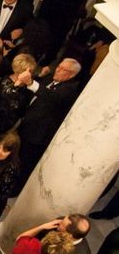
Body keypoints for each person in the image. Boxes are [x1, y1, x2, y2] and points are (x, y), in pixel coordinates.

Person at [16, 58, 82, 186]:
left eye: (64, 70)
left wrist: (30, 82)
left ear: (72, 75)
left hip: (38, 134)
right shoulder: (53, 77)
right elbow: (39, 88)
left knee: (25, 162)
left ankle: (16, 188)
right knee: (16, 155)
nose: (58, 70)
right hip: (27, 123)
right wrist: (38, 77)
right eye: (59, 66)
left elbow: (50, 97)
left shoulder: (70, 90)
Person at [0, 53, 37, 146]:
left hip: (10, 122)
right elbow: (6, 97)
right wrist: (18, 85)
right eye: (29, 71)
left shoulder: (28, 85)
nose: (30, 74)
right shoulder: (6, 80)